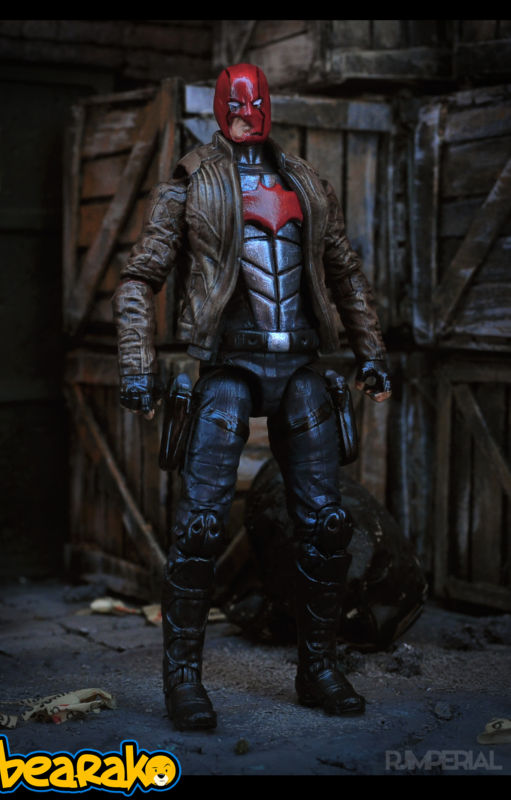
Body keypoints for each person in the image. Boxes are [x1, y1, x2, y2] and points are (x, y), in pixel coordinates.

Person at [113, 63, 391, 732]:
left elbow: (345, 273)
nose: (244, 116)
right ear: (219, 107)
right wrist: (135, 366)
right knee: (201, 527)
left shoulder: (305, 182)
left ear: (267, 105)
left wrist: (372, 352)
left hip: (299, 365)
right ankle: (184, 680)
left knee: (327, 524)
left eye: (253, 104)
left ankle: (318, 668)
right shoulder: (192, 181)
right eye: (234, 106)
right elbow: (139, 278)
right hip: (227, 365)